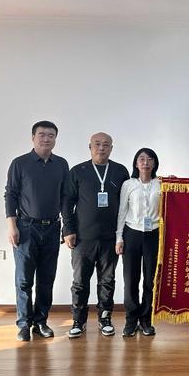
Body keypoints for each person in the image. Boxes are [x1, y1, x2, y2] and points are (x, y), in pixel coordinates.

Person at [4, 120, 69, 341]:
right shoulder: (20, 163)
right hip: (25, 228)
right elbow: (10, 195)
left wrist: (67, 227)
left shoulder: (61, 164)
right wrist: (12, 226)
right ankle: (24, 324)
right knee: (24, 279)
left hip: (52, 227)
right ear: (33, 137)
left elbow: (65, 197)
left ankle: (41, 322)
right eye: (42, 134)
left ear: (55, 139)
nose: (46, 138)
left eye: (51, 135)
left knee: (46, 278)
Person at [62, 132, 129, 338]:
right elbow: (67, 202)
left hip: (110, 238)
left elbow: (129, 201)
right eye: (97, 144)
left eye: (106, 145)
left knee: (107, 281)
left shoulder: (120, 171)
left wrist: (121, 236)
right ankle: (78, 321)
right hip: (83, 238)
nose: (101, 148)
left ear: (111, 148)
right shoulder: (78, 171)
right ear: (89, 147)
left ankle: (105, 319)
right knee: (80, 282)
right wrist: (68, 230)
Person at [116, 148, 161, 337]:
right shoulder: (128, 184)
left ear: (154, 163)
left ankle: (146, 319)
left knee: (150, 280)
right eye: (142, 159)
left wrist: (175, 184)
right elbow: (122, 212)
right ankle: (131, 319)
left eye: (150, 159)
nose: (145, 162)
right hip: (132, 234)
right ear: (136, 163)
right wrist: (119, 238)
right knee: (131, 279)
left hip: (153, 235)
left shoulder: (161, 184)